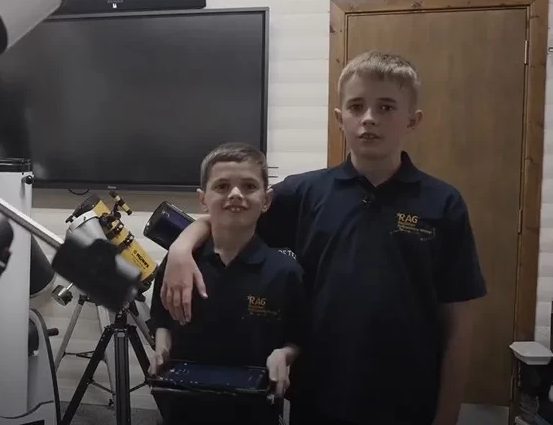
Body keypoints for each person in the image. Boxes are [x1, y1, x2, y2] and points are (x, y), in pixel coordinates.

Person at [157, 51, 487, 425]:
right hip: (320, 393)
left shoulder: (443, 203)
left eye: (386, 107)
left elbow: (458, 325)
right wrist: (183, 248)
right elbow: (226, 213)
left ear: (412, 120)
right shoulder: (306, 193)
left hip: (408, 396)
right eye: (357, 106)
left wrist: (446, 418)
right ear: (339, 118)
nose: (369, 119)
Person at [148, 142, 307, 425]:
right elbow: (161, 316)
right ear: (203, 199)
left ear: (267, 199)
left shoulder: (285, 272)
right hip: (183, 409)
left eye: (248, 186)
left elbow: (298, 336)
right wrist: (162, 343)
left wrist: (285, 354)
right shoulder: (179, 264)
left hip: (254, 412)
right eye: (222, 187)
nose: (235, 194)